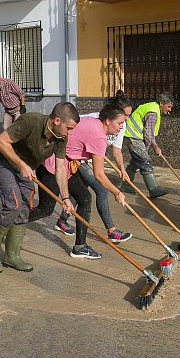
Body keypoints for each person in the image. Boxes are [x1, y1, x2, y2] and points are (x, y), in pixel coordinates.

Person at [0, 102, 79, 273]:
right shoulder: (30, 121)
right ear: (57, 121)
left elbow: (60, 168)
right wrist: (21, 164)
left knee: (24, 209)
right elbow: (1, 141)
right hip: (5, 161)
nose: (69, 133)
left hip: (26, 168)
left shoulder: (61, 138)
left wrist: (65, 198)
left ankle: (12, 256)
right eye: (69, 128)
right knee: (13, 205)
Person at [31, 103, 131, 258]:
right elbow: (99, 175)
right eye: (119, 123)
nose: (120, 127)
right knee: (45, 210)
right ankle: (12, 220)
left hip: (67, 164)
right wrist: (117, 192)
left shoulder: (93, 122)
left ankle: (80, 247)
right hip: (53, 165)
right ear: (107, 121)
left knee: (84, 198)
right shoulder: (98, 135)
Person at [54, 92, 134, 243]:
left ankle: (62, 220)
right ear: (113, 114)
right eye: (125, 115)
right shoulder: (96, 119)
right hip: (74, 159)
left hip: (86, 157)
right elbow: (99, 174)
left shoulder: (119, 124)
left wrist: (122, 169)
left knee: (81, 193)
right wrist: (117, 192)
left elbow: (116, 150)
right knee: (101, 189)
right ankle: (111, 230)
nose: (126, 120)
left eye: (128, 116)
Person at [122, 92, 174, 199]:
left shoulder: (153, 108)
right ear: (161, 103)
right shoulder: (153, 112)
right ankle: (153, 190)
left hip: (132, 136)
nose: (169, 110)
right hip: (133, 136)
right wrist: (155, 146)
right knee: (145, 161)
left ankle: (126, 185)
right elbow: (148, 133)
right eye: (168, 106)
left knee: (136, 162)